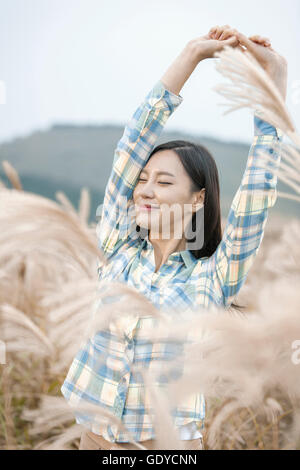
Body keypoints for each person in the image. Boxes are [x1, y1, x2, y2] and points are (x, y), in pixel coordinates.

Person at [61, 25, 287, 450]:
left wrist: (272, 83)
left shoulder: (213, 276)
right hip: (94, 436)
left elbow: (257, 191)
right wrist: (191, 55)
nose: (145, 189)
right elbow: (131, 146)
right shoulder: (118, 251)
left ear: (197, 198)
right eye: (143, 180)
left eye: (164, 182)